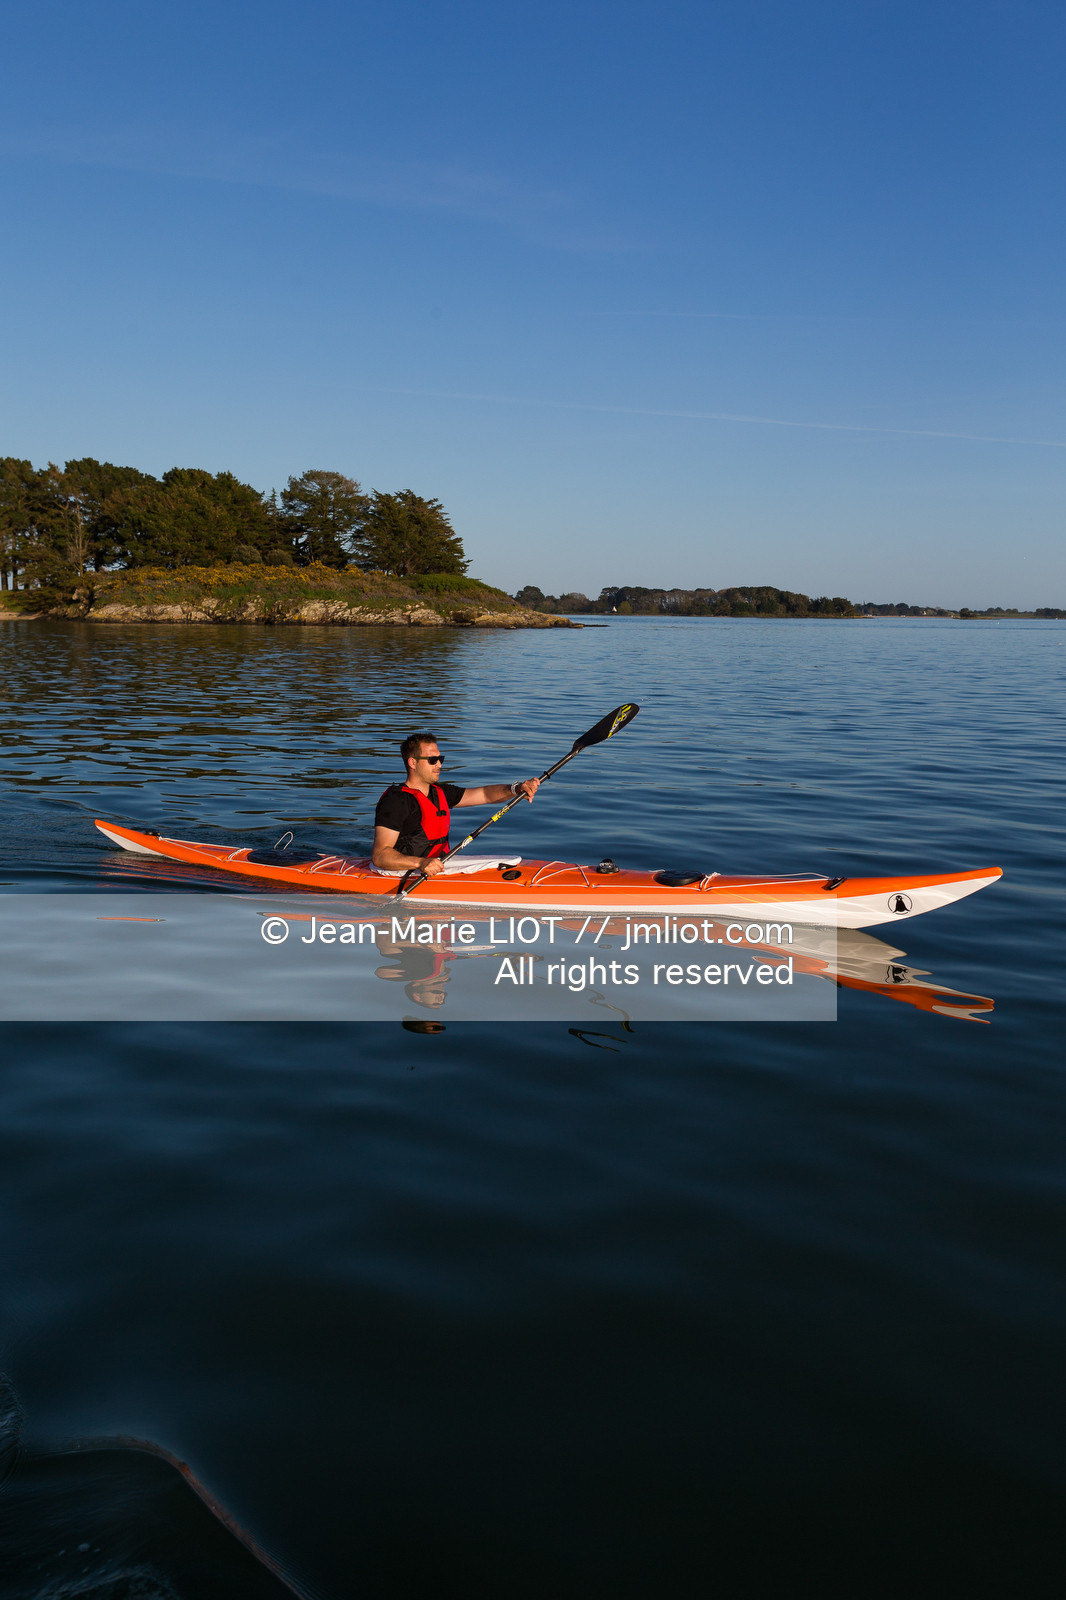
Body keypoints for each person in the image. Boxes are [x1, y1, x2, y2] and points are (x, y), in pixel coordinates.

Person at [372, 732, 540, 877]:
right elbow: (380, 855)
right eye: (433, 760)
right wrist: (421, 863)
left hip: (438, 866)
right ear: (413, 763)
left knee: (510, 860)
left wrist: (516, 789)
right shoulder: (396, 801)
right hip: (402, 872)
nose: (439, 764)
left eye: (440, 759)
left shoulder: (441, 792)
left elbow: (484, 794)